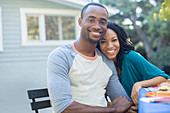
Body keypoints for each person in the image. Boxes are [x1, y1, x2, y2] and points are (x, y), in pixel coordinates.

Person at [47, 2, 132, 113]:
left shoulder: (106, 61)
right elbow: (63, 107)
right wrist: (113, 110)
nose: (97, 26)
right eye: (91, 20)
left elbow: (122, 100)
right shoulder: (61, 57)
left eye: (102, 22)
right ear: (80, 22)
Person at [97, 22, 170, 106]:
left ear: (120, 41)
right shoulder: (98, 63)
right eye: (103, 42)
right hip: (120, 109)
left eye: (114, 40)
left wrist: (139, 84)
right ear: (98, 45)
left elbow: (163, 78)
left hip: (143, 106)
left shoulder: (130, 56)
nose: (109, 46)